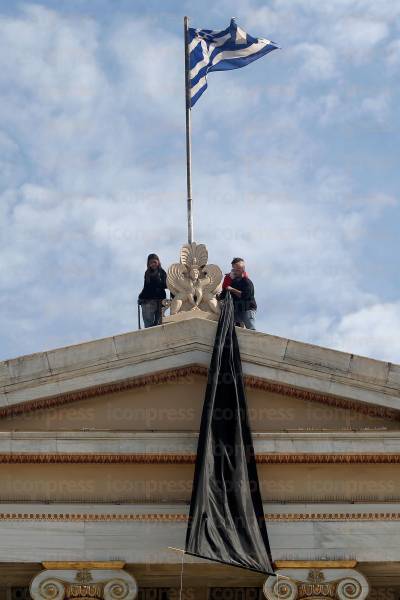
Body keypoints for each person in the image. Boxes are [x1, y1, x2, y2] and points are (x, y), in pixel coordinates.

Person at [224, 257, 257, 330]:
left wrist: (232, 289)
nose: (234, 271)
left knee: (251, 329)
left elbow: (245, 295)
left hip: (247, 309)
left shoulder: (247, 282)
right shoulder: (233, 281)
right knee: (235, 330)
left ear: (242, 269)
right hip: (237, 310)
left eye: (237, 269)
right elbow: (225, 292)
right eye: (233, 269)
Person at [138, 253, 167, 328]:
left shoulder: (162, 272)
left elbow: (166, 284)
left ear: (158, 262)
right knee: (149, 323)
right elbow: (146, 287)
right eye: (151, 263)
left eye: (154, 262)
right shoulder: (147, 273)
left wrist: (159, 282)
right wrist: (141, 296)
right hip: (148, 300)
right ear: (148, 264)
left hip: (160, 301)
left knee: (159, 322)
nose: (153, 264)